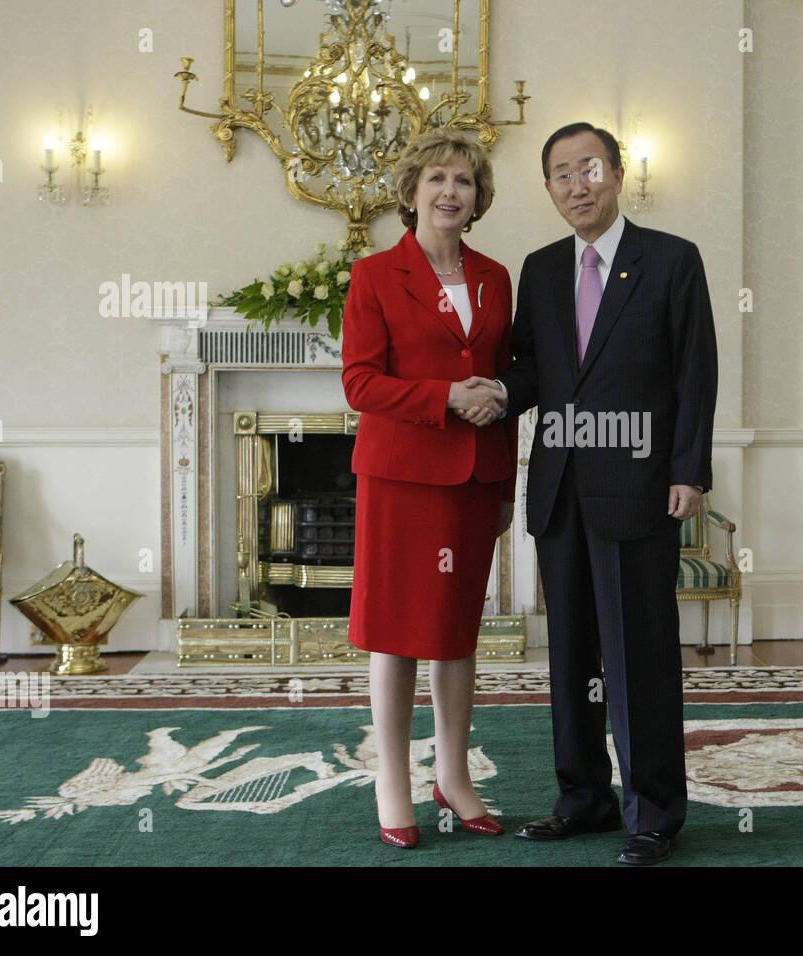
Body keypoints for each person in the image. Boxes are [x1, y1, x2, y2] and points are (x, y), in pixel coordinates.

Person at [460, 121, 718, 864]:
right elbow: (536, 367)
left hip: (640, 489)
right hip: (561, 491)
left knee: (639, 656)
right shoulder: (540, 270)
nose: (577, 185)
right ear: (548, 189)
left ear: (617, 172)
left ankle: (654, 812)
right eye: (561, 174)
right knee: (571, 655)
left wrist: (689, 470)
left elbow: (695, 371)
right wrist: (498, 394)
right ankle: (584, 797)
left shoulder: (671, 260)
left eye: (589, 169)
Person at [341, 126, 516, 849]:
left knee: (455, 632)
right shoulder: (375, 275)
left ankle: (454, 773)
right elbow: (359, 382)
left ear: (478, 199)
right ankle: (392, 777)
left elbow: (506, 374)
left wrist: (505, 479)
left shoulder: (496, 277)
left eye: (465, 181)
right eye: (438, 179)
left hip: (475, 479)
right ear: (412, 192)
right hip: (401, 478)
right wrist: (446, 397)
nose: (451, 191)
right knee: (397, 632)